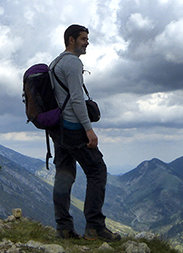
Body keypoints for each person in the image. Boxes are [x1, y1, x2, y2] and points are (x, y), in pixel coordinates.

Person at [48, 24, 121, 241]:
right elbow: (77, 99)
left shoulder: (55, 63)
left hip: (58, 129)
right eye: (83, 39)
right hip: (72, 127)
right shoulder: (72, 62)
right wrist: (89, 129)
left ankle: (63, 228)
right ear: (71, 40)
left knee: (64, 173)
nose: (87, 42)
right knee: (97, 170)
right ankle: (95, 227)